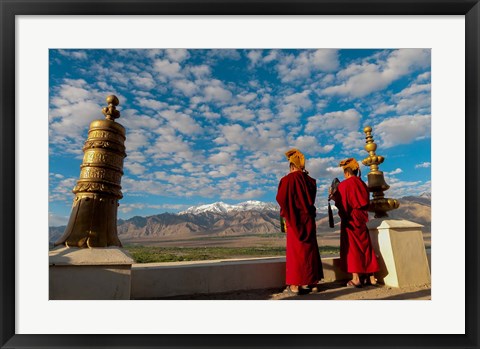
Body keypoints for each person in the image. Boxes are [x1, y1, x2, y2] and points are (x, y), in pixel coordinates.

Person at [276, 148, 324, 295]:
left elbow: (281, 199)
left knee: (296, 253)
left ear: (291, 166)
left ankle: (295, 286)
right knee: (309, 252)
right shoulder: (310, 181)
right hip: (308, 221)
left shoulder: (287, 180)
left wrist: (287, 214)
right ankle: (311, 283)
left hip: (294, 220)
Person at [330, 158, 379, 287]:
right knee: (366, 247)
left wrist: (334, 196)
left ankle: (356, 278)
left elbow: (342, 205)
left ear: (346, 172)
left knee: (353, 248)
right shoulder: (362, 184)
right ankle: (372, 277)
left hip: (350, 221)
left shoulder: (344, 185)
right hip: (362, 219)